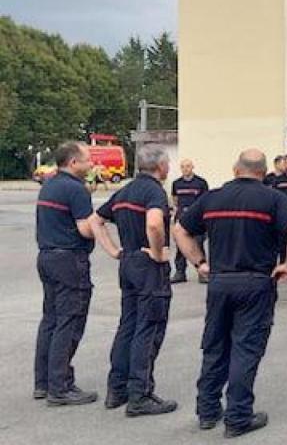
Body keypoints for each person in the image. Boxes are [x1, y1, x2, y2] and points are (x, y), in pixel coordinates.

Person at [172, 149, 287, 438]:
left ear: (236, 170)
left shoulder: (212, 198)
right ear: (262, 172)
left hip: (219, 282)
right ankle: (238, 417)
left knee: (215, 346)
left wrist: (200, 263)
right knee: (246, 349)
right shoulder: (273, 199)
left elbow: (180, 230)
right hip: (256, 283)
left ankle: (207, 412)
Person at [90, 144, 176, 416]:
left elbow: (95, 220)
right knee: (148, 328)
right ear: (160, 166)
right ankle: (140, 394)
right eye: (168, 164)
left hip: (127, 262)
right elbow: (153, 223)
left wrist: (114, 250)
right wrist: (158, 251)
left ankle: (117, 389)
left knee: (128, 324)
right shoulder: (154, 191)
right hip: (147, 264)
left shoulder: (125, 191)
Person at [33, 141, 98, 406]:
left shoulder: (49, 184)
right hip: (70, 260)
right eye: (87, 160)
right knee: (68, 321)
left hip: (47, 257)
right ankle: (60, 387)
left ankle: (43, 382)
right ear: (73, 162)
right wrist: (101, 225)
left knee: (50, 319)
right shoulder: (75, 189)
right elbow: (85, 229)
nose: (91, 164)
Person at [171, 159, 209, 284]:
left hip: (197, 220)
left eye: (187, 166)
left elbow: (205, 202)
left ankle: (202, 273)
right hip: (182, 219)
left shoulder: (201, 183)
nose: (185, 169)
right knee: (181, 247)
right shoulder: (176, 183)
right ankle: (180, 273)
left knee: (198, 245)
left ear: (192, 167)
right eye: (182, 167)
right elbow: (175, 200)